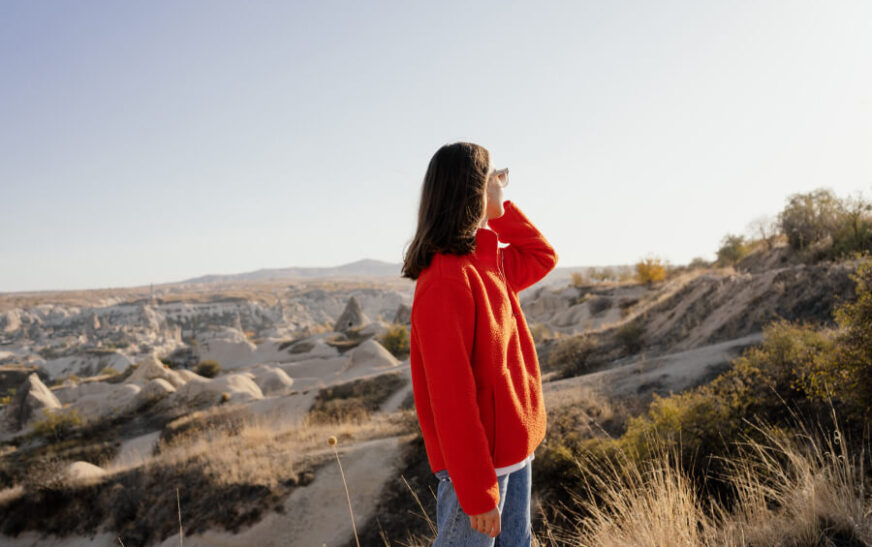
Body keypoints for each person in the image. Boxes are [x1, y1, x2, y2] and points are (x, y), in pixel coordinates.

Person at [401, 141, 558, 546]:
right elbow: (451, 399)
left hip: (515, 452)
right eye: (494, 180)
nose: (501, 186)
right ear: (475, 191)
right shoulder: (445, 281)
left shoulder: (491, 263)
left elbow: (542, 256)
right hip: (480, 468)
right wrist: (477, 491)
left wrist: (501, 214)